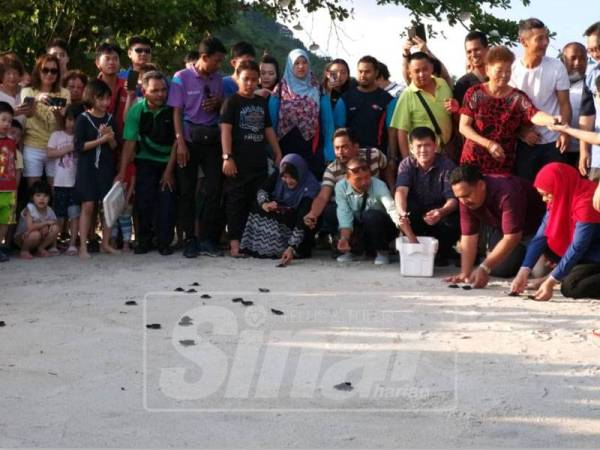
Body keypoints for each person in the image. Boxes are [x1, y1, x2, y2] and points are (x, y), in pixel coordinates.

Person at [459, 46, 560, 175]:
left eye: (508, 71)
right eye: (499, 70)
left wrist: (552, 119)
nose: (504, 75)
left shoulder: (517, 97)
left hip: (502, 163)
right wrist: (489, 144)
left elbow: (533, 114)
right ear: (488, 70)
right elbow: (464, 127)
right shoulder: (475, 93)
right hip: (473, 161)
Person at [168, 36, 226, 258]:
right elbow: (177, 112)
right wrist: (180, 142)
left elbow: (221, 106)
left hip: (212, 140)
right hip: (189, 139)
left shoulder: (218, 79)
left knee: (214, 190)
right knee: (187, 192)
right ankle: (190, 240)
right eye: (217, 60)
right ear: (204, 57)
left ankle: (208, 239)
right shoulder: (180, 77)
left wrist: (218, 104)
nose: (219, 65)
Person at [445, 165, 546, 288]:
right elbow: (468, 236)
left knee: (539, 272)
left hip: (537, 230)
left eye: (466, 195)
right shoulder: (464, 198)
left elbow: (512, 237)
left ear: (481, 185)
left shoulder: (507, 191)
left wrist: (484, 267)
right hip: (504, 230)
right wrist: (465, 273)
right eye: (459, 197)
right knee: (499, 269)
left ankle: (539, 255)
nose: (463, 201)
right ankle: (521, 255)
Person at [220, 60, 283, 257]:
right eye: (246, 79)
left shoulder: (260, 103)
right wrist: (227, 157)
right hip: (237, 163)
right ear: (237, 78)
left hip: (258, 163)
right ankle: (235, 244)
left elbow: (268, 130)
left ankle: (254, 243)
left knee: (258, 202)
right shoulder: (231, 102)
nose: (250, 83)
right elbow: (226, 132)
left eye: (254, 79)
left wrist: (277, 152)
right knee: (236, 203)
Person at [511, 163, 600, 300]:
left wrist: (551, 281)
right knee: (548, 241)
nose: (544, 199)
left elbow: (578, 247)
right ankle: (561, 272)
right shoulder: (560, 198)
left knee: (572, 287)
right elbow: (540, 238)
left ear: (560, 188)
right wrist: (524, 270)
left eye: (547, 194)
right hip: (586, 251)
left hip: (593, 251)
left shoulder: (585, 201)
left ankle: (559, 274)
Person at [117, 71, 177, 255]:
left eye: (163, 90)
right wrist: (121, 173)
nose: (160, 94)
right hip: (145, 161)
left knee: (167, 202)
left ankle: (164, 242)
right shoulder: (137, 110)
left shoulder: (172, 109)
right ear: (144, 90)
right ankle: (144, 240)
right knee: (143, 201)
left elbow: (178, 140)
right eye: (155, 90)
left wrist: (168, 171)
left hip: (169, 162)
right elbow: (129, 142)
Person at [509, 18, 571, 181]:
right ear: (523, 41)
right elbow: (509, 110)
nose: (545, 43)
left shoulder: (557, 66)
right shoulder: (511, 71)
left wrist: (565, 132)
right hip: (525, 144)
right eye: (539, 39)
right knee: (528, 192)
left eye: (546, 38)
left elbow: (564, 103)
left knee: (556, 189)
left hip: (554, 142)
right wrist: (522, 131)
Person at [303, 128, 388, 239]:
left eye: (344, 147)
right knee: (330, 211)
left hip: (375, 208)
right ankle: (347, 241)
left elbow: (388, 169)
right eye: (337, 148)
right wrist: (313, 214)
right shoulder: (332, 169)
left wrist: (391, 190)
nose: (340, 152)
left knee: (372, 216)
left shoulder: (373, 155)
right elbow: (323, 196)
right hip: (349, 211)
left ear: (356, 146)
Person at [240, 154, 320, 265]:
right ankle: (260, 247)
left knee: (302, 220)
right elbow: (262, 190)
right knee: (257, 206)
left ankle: (287, 249)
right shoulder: (278, 173)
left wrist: (291, 247)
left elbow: (303, 216)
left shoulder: (309, 186)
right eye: (285, 177)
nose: (288, 181)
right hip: (281, 211)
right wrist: (265, 204)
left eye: (292, 177)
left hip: (297, 224)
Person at [394, 127, 459, 265]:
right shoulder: (406, 165)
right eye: (419, 146)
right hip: (416, 212)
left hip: (438, 211)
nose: (423, 150)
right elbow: (401, 191)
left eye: (427, 145)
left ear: (435, 146)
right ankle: (414, 248)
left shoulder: (447, 165)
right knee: (406, 210)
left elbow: (452, 200)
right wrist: (402, 213)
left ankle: (443, 252)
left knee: (453, 219)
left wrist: (441, 212)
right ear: (411, 148)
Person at [334, 55, 396, 186]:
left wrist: (392, 158)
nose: (363, 75)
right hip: (351, 158)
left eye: (367, 72)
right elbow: (338, 130)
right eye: (360, 71)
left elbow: (392, 131)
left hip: (378, 158)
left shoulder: (387, 100)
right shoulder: (345, 99)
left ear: (376, 73)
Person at [74, 79, 118, 258]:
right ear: (91, 97)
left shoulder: (110, 119)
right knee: (88, 205)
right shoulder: (83, 119)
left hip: (106, 168)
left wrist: (111, 137)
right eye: (101, 99)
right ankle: (83, 246)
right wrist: (102, 139)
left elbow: (115, 146)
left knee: (106, 206)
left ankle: (105, 244)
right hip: (87, 169)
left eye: (107, 99)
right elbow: (79, 146)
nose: (105, 102)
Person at [269, 49, 324, 177]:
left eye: (304, 62)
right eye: (296, 63)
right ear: (290, 65)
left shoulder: (317, 88)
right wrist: (273, 150)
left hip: (310, 146)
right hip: (284, 144)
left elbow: (327, 121)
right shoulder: (281, 88)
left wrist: (328, 149)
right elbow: (271, 122)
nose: (301, 66)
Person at [335, 157, 400, 265]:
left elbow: (392, 209)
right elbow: (344, 214)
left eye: (367, 177)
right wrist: (344, 239)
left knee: (370, 216)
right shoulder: (340, 187)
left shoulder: (379, 185)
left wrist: (407, 234)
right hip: (358, 226)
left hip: (382, 227)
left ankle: (382, 252)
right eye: (358, 179)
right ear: (347, 178)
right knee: (333, 213)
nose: (364, 182)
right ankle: (352, 250)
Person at [390, 52, 453, 160]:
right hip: (422, 157)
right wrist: (407, 162)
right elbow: (401, 131)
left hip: (448, 151)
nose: (421, 74)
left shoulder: (442, 83)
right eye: (416, 71)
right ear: (409, 73)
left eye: (425, 69)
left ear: (431, 68)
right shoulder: (407, 95)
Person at [21, 54, 70, 187]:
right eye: (45, 70)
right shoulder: (27, 91)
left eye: (53, 71)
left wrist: (57, 114)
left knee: (56, 189)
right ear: (38, 71)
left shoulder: (64, 93)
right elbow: (28, 115)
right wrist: (37, 99)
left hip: (56, 146)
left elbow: (64, 126)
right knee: (34, 190)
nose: (49, 73)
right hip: (33, 146)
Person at [46, 104, 81, 256]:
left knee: (74, 215)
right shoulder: (56, 135)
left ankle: (72, 243)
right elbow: (49, 153)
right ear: (65, 120)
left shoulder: (82, 137)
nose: (72, 124)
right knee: (58, 215)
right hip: (60, 182)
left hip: (75, 184)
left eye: (75, 120)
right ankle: (54, 243)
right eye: (69, 120)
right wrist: (68, 149)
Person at [560, 42, 596, 167]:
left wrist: (584, 151)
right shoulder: (554, 84)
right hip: (557, 149)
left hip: (586, 152)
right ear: (563, 60)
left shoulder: (592, 86)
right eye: (573, 58)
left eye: (582, 58)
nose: (577, 63)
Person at [14, 181, 59, 259]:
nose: (42, 198)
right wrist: (46, 223)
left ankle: (41, 248)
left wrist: (47, 226)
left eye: (45, 196)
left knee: (55, 228)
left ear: (49, 198)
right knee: (35, 234)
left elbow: (54, 223)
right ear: (32, 197)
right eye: (38, 195)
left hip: (38, 239)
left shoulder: (49, 210)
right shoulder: (30, 208)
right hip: (23, 238)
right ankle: (24, 251)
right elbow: (30, 227)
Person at [320, 58, 353, 163]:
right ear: (327, 74)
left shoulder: (353, 93)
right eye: (334, 73)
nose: (339, 76)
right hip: (322, 146)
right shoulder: (319, 93)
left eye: (343, 72)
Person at [95, 43, 131, 139]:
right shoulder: (91, 87)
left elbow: (130, 119)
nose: (112, 62)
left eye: (115, 59)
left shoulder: (127, 86)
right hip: (97, 141)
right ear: (98, 63)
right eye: (107, 59)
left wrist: (130, 96)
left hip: (123, 141)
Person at [0, 101, 17, 262]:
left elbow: (14, 165)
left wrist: (15, 187)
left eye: (9, 121)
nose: (6, 124)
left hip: (10, 189)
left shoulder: (12, 142)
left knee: (5, 220)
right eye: (3, 119)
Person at [453, 31, 489, 105]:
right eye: (469, 52)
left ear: (487, 49)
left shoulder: (499, 78)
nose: (473, 54)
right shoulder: (462, 84)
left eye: (477, 50)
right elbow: (459, 114)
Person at [584, 22, 600, 181]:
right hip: (597, 155)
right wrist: (584, 149)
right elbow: (588, 113)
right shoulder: (591, 74)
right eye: (591, 50)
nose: (595, 54)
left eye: (597, 48)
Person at [0, 53, 31, 125]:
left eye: (15, 73)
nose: (12, 77)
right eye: (8, 73)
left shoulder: (26, 91)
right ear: (2, 75)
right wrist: (12, 113)